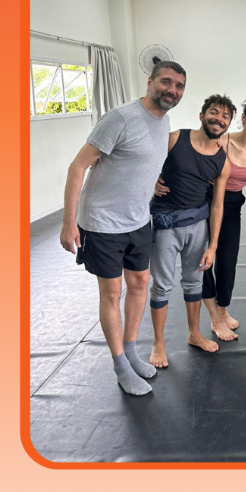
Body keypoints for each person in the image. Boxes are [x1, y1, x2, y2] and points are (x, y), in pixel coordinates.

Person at [59, 60, 187, 396]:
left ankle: (130, 351)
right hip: (102, 222)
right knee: (112, 292)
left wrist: (151, 182)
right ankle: (119, 365)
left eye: (178, 86)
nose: (172, 90)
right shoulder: (120, 118)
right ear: (150, 82)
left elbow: (141, 162)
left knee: (140, 283)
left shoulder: (164, 121)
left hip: (139, 219)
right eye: (166, 82)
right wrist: (68, 222)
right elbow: (78, 166)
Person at [147, 95, 233, 367]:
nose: (219, 119)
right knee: (162, 285)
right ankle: (158, 343)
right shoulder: (174, 139)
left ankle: (194, 334)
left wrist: (213, 246)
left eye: (225, 116)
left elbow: (217, 205)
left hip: (197, 226)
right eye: (214, 112)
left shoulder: (222, 161)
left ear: (228, 124)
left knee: (194, 283)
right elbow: (141, 161)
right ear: (202, 115)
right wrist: (151, 181)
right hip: (166, 225)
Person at [200, 96, 246, 335]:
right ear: (244, 118)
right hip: (205, 201)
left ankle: (222, 309)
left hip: (232, 207)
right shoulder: (223, 140)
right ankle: (213, 316)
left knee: (228, 261)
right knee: (203, 260)